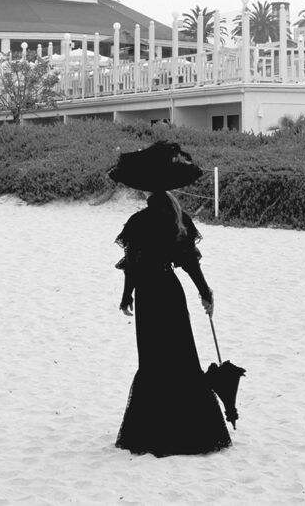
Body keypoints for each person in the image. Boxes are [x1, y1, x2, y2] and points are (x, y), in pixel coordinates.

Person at [113, 163, 231, 457]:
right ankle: (194, 431)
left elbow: (133, 265)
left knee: (153, 361)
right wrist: (206, 293)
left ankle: (152, 433)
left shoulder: (138, 222)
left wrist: (127, 296)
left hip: (149, 295)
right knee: (181, 357)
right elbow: (190, 262)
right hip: (170, 290)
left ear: (146, 191)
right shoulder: (178, 218)